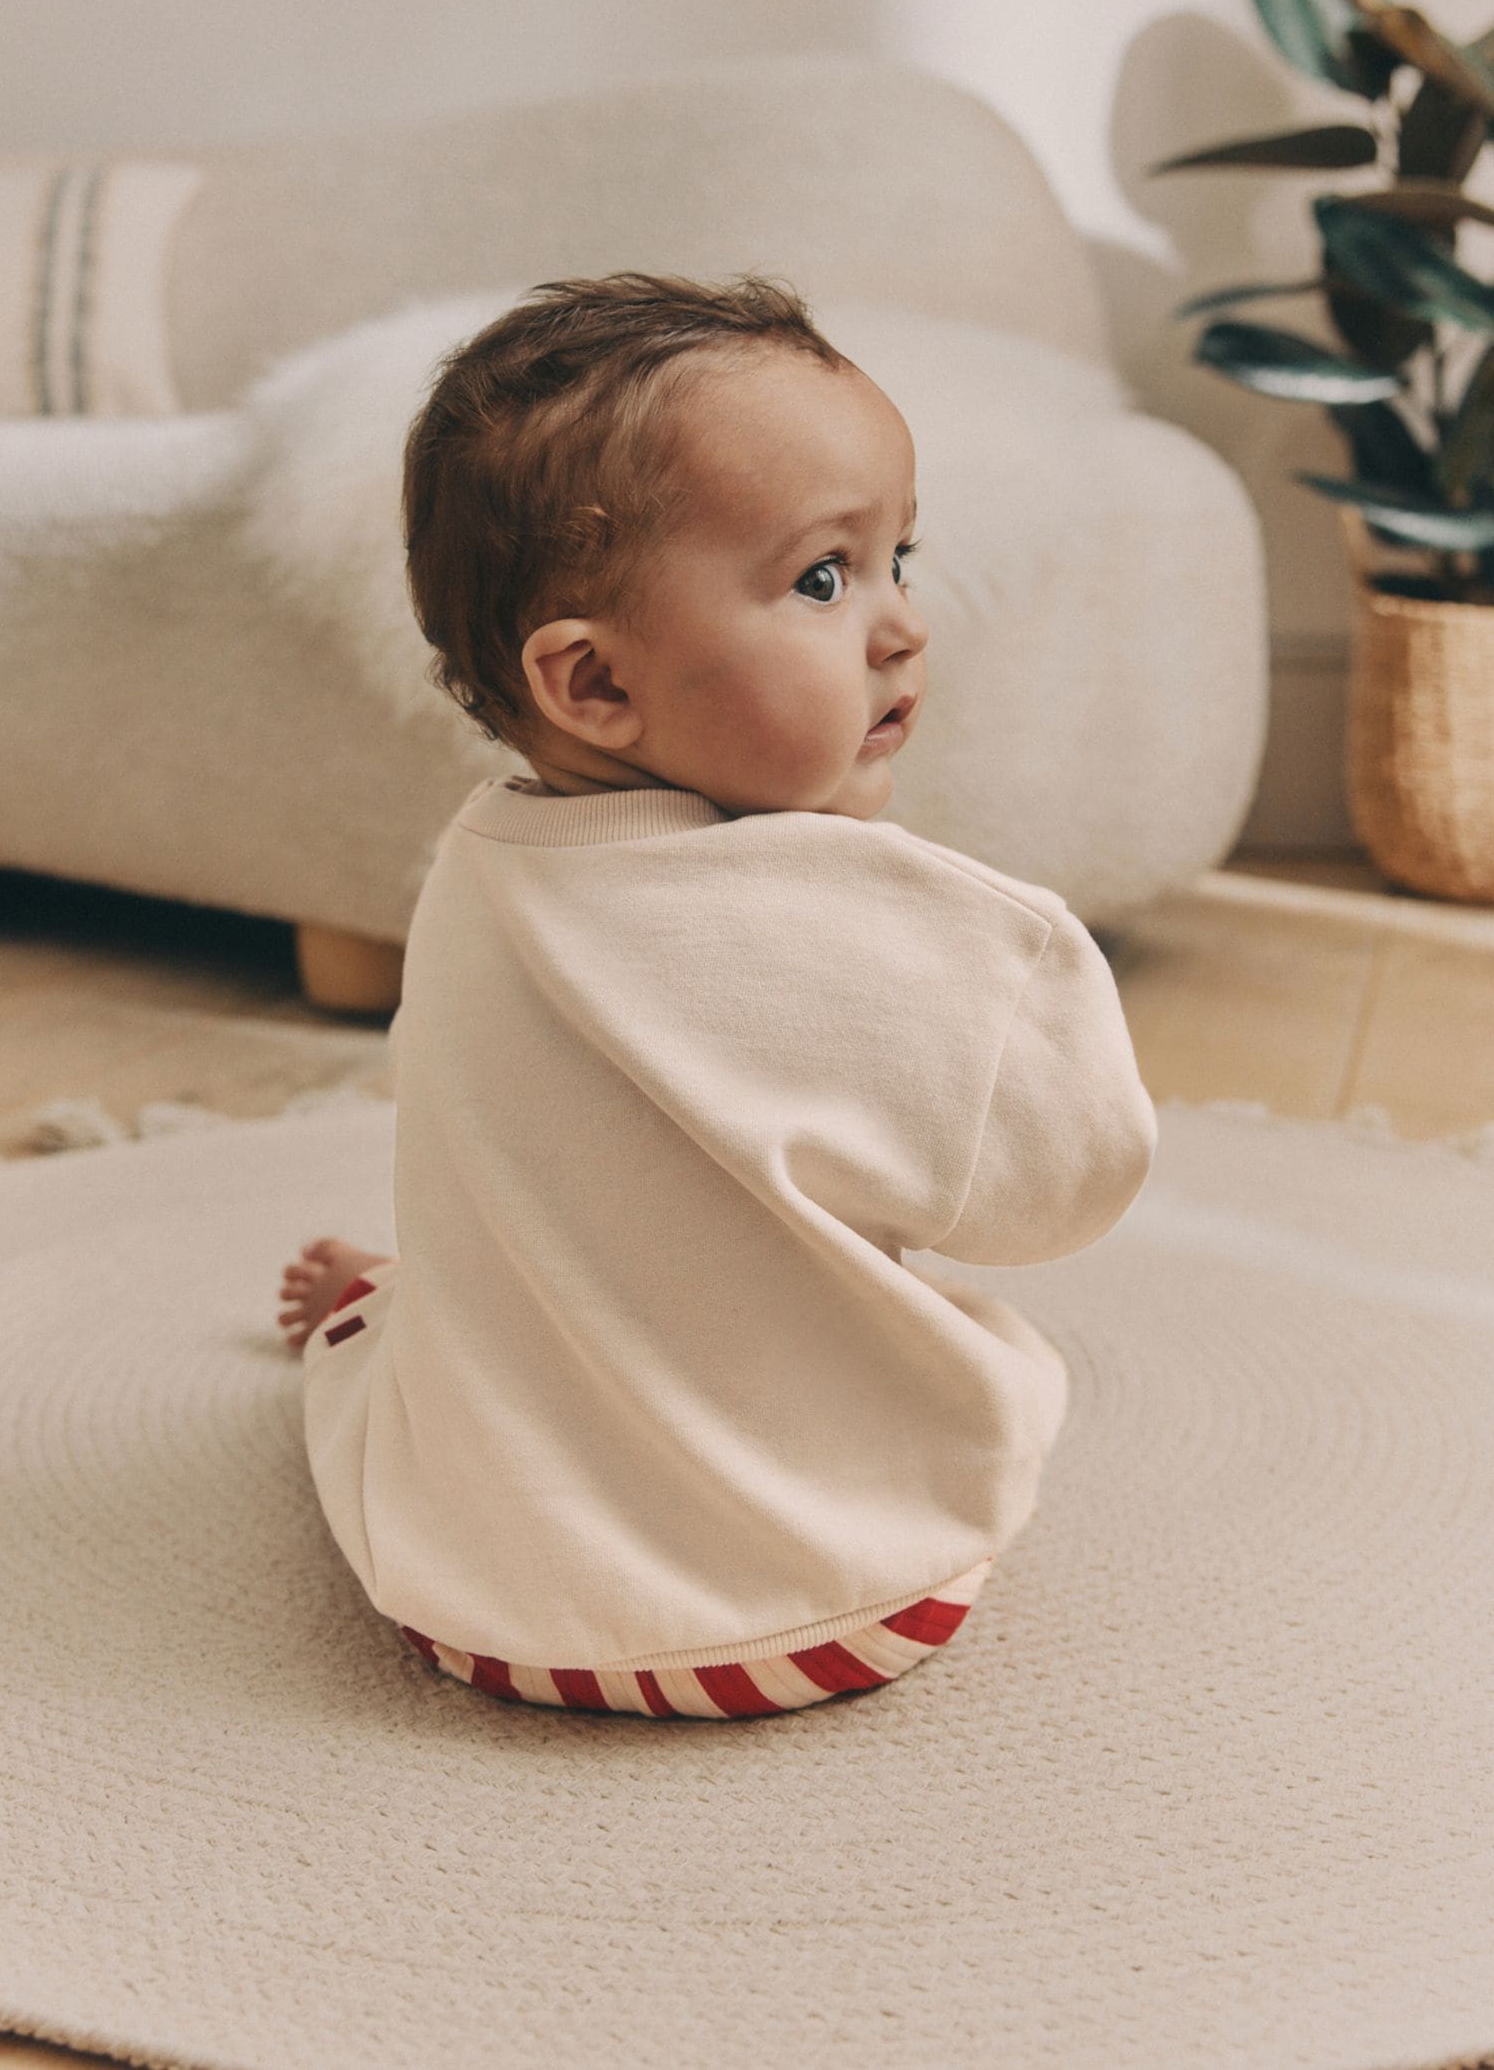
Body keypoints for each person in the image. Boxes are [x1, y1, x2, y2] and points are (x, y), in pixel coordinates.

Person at [278, 271, 1157, 1721]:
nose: (898, 627)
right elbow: (1063, 1193)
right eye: (823, 579)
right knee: (964, 1350)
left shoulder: (475, 874)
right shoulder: (886, 938)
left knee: (481, 1291)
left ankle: (377, 1313)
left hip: (478, 1608)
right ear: (596, 686)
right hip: (851, 1599)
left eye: (899, 559)